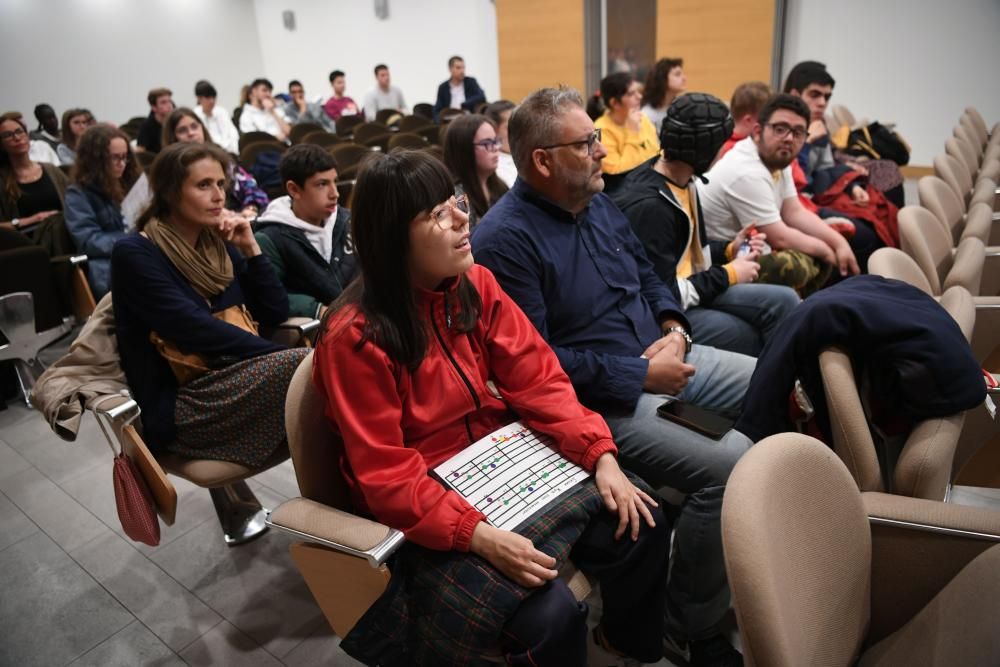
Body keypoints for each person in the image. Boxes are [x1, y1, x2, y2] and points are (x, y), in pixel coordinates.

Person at [314, 148, 669, 666]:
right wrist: (476, 535)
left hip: (498, 460)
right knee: (549, 619)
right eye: (438, 214)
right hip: (426, 500)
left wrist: (601, 456)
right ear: (394, 238)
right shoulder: (356, 337)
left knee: (644, 517)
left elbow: (540, 379)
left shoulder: (474, 284)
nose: (463, 218)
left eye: (455, 200)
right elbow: (387, 477)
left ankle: (625, 645)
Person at [472, 86, 753, 666]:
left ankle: (734, 552)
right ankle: (684, 621)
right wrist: (641, 374)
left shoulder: (597, 202)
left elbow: (649, 279)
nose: (603, 151)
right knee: (735, 466)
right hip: (607, 399)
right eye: (587, 141)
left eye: (597, 137)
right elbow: (536, 363)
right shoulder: (504, 241)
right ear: (543, 161)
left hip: (661, 357)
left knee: (764, 380)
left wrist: (675, 326)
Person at [111, 141, 305, 465]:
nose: (218, 196)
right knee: (310, 369)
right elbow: (195, 329)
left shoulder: (217, 242)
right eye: (204, 185)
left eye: (220, 184)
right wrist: (290, 356)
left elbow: (275, 310)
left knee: (325, 374)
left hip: (238, 375)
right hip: (184, 403)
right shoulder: (134, 253)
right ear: (171, 192)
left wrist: (252, 250)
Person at [614, 93, 800, 357]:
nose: (723, 151)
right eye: (719, 144)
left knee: (786, 300)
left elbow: (684, 254)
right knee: (750, 336)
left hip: (691, 288)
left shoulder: (682, 179)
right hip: (663, 314)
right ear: (703, 149)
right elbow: (661, 294)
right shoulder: (651, 208)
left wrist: (728, 250)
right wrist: (730, 274)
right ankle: (773, 388)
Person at [700, 94, 860, 295]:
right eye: (780, 129)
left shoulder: (777, 157)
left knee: (824, 250)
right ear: (758, 131)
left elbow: (794, 212)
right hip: (716, 258)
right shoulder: (746, 171)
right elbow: (780, 238)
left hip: (750, 243)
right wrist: (826, 250)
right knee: (799, 266)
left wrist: (838, 243)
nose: (789, 138)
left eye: (798, 132)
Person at [253, 145, 356, 318]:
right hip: (322, 329)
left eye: (335, 182)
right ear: (294, 189)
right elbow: (270, 296)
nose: (335, 193)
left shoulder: (351, 220)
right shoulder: (269, 238)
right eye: (322, 184)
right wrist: (316, 309)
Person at [123, 108, 269, 227]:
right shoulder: (169, 170)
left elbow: (251, 188)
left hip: (238, 217)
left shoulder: (222, 158)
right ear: (173, 138)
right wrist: (221, 213)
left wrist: (250, 208)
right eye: (182, 130)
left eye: (194, 126)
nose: (191, 133)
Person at [64, 124, 141, 299]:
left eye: (125, 157)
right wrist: (135, 240)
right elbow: (89, 241)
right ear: (95, 160)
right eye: (115, 158)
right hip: (109, 263)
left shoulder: (129, 181)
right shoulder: (78, 193)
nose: (122, 164)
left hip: (138, 251)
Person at [0, 112, 74, 257]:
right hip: (25, 249)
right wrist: (32, 219)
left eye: (19, 131)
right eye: (8, 135)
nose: (17, 137)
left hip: (63, 241)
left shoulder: (51, 170)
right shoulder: (2, 180)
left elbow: (75, 204)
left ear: (27, 135)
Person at [592, 73, 659, 191]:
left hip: (650, 186)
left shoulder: (643, 119)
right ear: (615, 103)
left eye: (638, 91)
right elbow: (616, 173)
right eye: (631, 94)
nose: (639, 97)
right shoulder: (599, 130)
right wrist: (632, 133)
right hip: (622, 193)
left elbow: (657, 155)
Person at [442, 114, 508, 229]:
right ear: (464, 149)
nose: (496, 148)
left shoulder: (499, 186)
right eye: (487, 143)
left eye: (495, 141)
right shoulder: (457, 199)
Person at [433, 56, 487, 121]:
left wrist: (464, 104)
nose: (462, 71)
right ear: (450, 69)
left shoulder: (470, 82)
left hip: (468, 117)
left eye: (463, 67)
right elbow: (437, 109)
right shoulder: (443, 87)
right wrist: (438, 121)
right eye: (458, 68)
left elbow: (481, 96)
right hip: (449, 119)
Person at [640, 57, 686, 134]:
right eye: (677, 74)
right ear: (662, 78)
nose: (684, 78)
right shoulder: (646, 115)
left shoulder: (682, 109)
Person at [193, 80, 240, 154]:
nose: (212, 101)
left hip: (231, 151)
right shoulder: (195, 115)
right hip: (212, 153)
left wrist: (233, 148)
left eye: (214, 97)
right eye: (207, 97)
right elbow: (206, 138)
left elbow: (233, 133)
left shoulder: (221, 111)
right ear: (199, 98)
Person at [485, 100, 517, 187]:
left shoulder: (528, 155)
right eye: (511, 126)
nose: (518, 131)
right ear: (493, 131)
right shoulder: (493, 168)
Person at [136, 88, 175, 154]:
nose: (169, 105)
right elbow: (140, 150)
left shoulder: (176, 121)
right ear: (154, 107)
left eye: (170, 101)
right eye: (163, 102)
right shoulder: (146, 126)